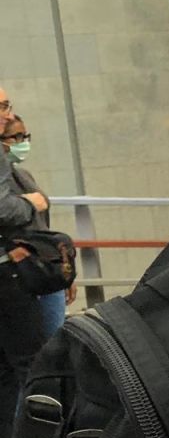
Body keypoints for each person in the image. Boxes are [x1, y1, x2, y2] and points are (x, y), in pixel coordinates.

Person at [0, 91, 51, 438]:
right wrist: (33, 202)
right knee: (33, 367)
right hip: (9, 279)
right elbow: (3, 208)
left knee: (9, 373)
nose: (9, 114)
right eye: (2, 107)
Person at [1, 116, 76, 336]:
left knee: (53, 341)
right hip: (18, 273)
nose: (22, 142)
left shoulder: (24, 176)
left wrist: (64, 272)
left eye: (25, 136)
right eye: (15, 137)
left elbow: (43, 227)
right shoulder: (5, 184)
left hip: (44, 267)